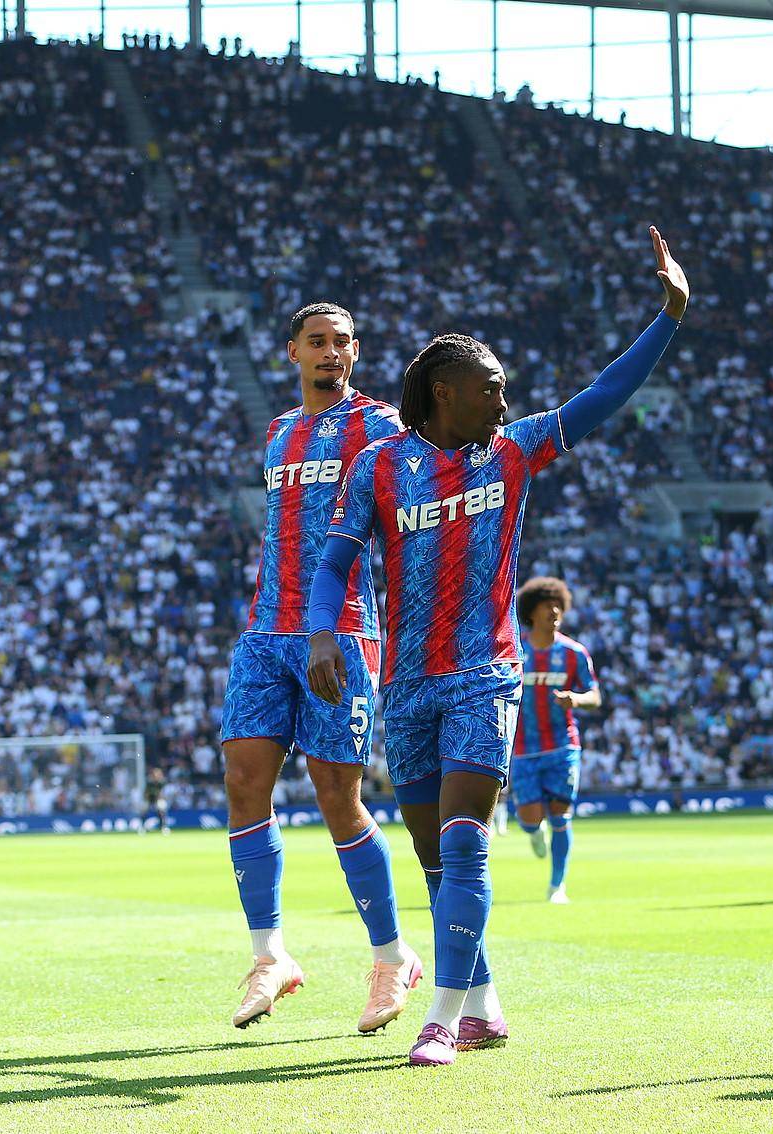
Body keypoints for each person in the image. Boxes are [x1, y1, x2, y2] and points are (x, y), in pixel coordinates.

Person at [306, 226, 688, 1066]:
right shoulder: (377, 466)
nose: (504, 404)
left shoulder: (512, 451)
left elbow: (602, 393)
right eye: (491, 389)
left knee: (464, 842)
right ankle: (483, 1005)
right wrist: (324, 632)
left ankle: (441, 1018)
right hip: (408, 684)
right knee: (433, 859)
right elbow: (334, 561)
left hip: (485, 676)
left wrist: (669, 315)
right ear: (445, 392)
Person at [218, 302, 420, 1033]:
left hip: (340, 633)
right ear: (293, 353)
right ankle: (270, 955)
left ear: (355, 352)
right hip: (265, 631)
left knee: (337, 796)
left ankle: (392, 957)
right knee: (244, 784)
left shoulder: (382, 425)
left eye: (342, 342)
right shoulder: (279, 432)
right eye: (317, 341)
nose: (331, 352)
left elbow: (408, 509)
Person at [510, 577, 600, 903]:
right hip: (522, 749)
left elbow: (595, 695)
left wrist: (576, 699)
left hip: (563, 746)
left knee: (561, 815)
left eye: (558, 605)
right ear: (531, 612)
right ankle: (535, 832)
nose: (555, 611)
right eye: (548, 606)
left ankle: (557, 886)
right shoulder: (514, 651)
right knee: (530, 819)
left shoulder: (574, 653)